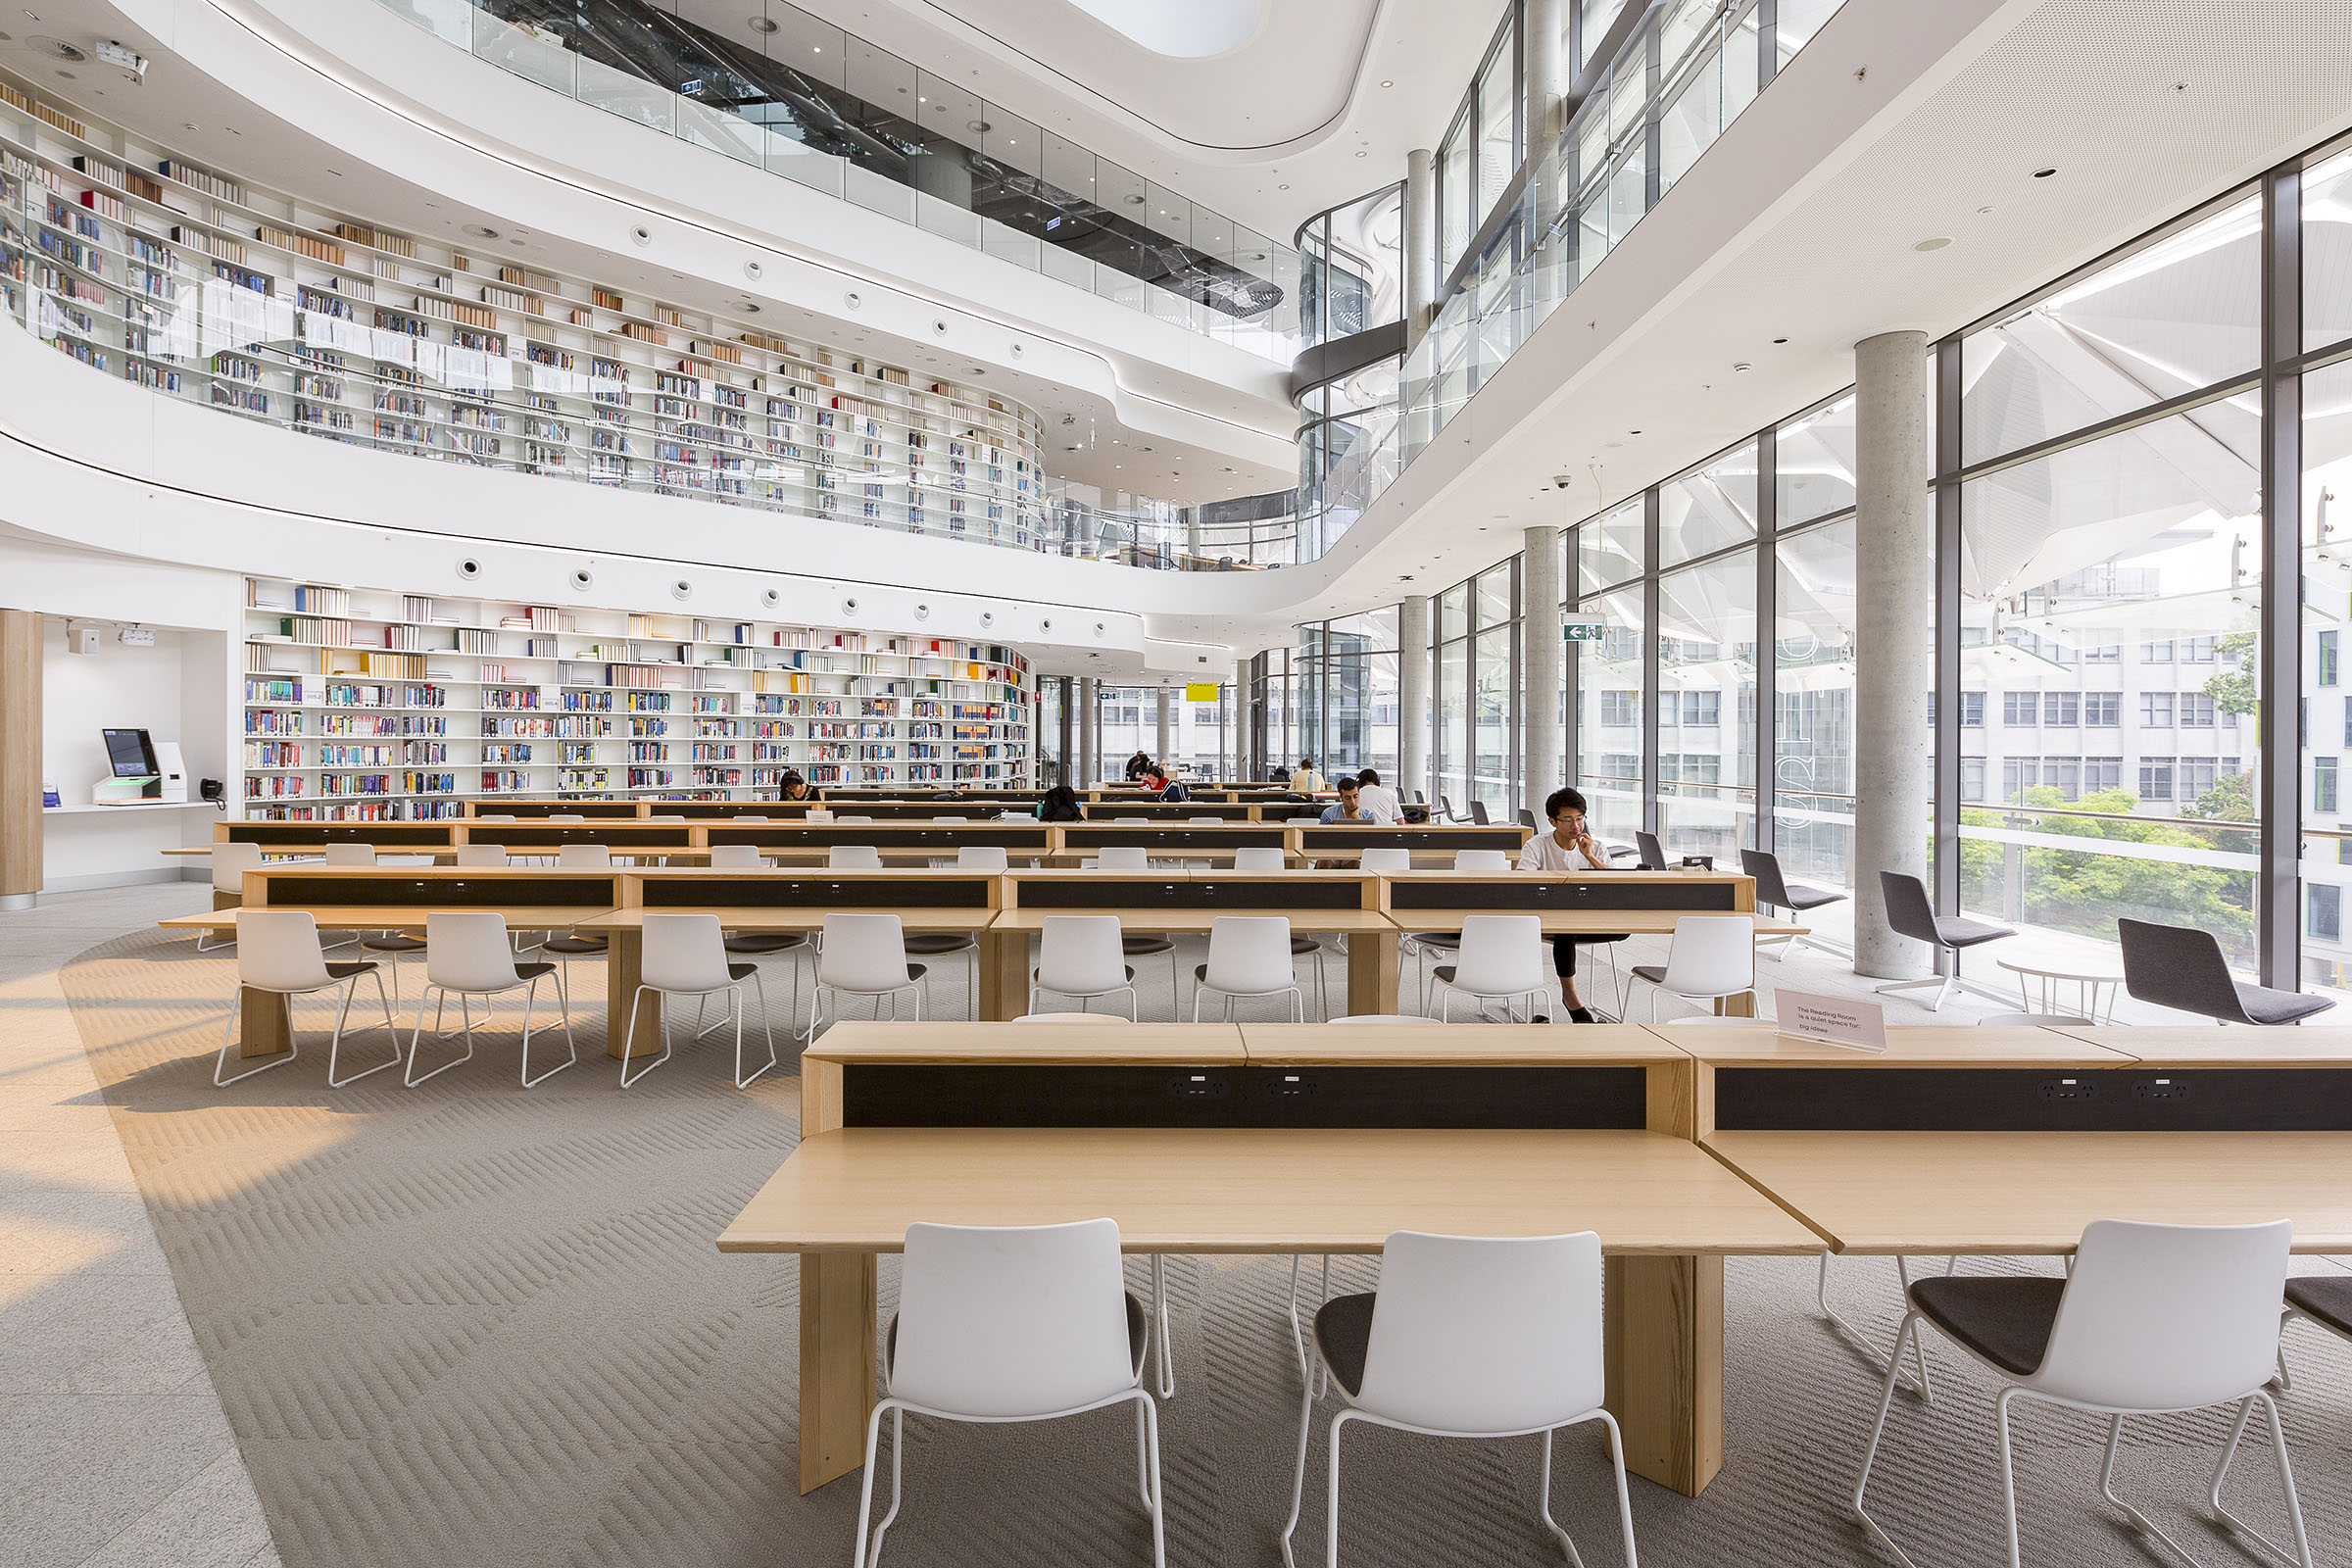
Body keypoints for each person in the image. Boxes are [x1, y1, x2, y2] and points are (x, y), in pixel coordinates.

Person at [1517, 786, 1625, 1024]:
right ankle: (1571, 997)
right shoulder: (1537, 845)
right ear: (1552, 821)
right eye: (1567, 820)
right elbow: (1522, 883)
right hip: (1550, 919)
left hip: (1591, 918)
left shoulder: (1595, 847)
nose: (1576, 826)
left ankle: (1571, 997)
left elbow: (1616, 884)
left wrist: (1591, 858)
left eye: (1580, 819)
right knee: (1567, 927)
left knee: (1623, 929)